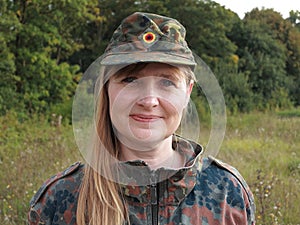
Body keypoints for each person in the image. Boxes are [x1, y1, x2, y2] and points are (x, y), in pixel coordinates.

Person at [28, 12, 255, 225]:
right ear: (106, 90)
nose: (149, 101)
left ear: (187, 93)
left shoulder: (226, 192)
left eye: (167, 82)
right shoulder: (60, 199)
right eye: (129, 80)